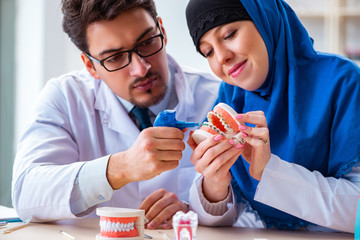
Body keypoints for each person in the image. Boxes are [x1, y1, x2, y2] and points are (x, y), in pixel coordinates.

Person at [11, 0, 220, 228]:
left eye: (148, 42)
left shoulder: (217, 96)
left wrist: (194, 213)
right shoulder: (65, 98)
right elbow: (27, 194)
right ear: (90, 66)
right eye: (114, 58)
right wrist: (120, 168)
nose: (141, 69)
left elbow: (255, 209)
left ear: (162, 30)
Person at [185, 0, 360, 233]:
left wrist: (270, 171)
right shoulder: (230, 99)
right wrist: (214, 183)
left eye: (229, 35)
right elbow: (223, 222)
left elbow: (357, 212)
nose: (221, 57)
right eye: (207, 51)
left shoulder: (343, 83)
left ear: (264, 18)